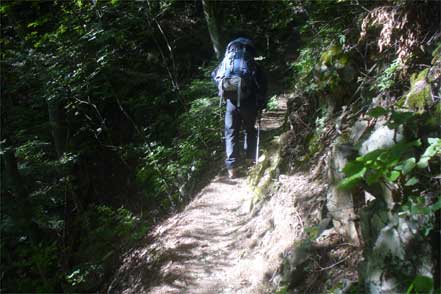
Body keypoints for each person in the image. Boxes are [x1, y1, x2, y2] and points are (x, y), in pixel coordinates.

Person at [211, 37, 267, 178]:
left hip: (231, 102)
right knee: (249, 130)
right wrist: (261, 103)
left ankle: (232, 168)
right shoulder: (250, 62)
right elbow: (261, 84)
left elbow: (214, 75)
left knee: (231, 133)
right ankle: (250, 161)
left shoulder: (227, 62)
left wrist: (224, 90)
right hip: (248, 102)